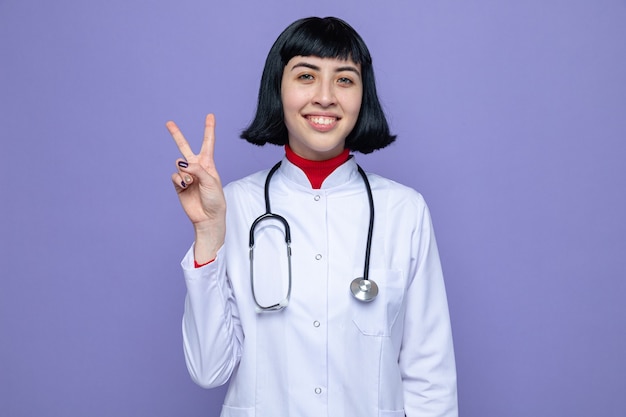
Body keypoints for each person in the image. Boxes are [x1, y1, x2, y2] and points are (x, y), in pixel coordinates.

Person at [167, 16, 457, 417]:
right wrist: (208, 234)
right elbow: (208, 370)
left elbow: (430, 376)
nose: (325, 97)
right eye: (306, 75)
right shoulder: (237, 204)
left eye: (344, 79)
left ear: (362, 96)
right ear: (278, 89)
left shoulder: (404, 210)